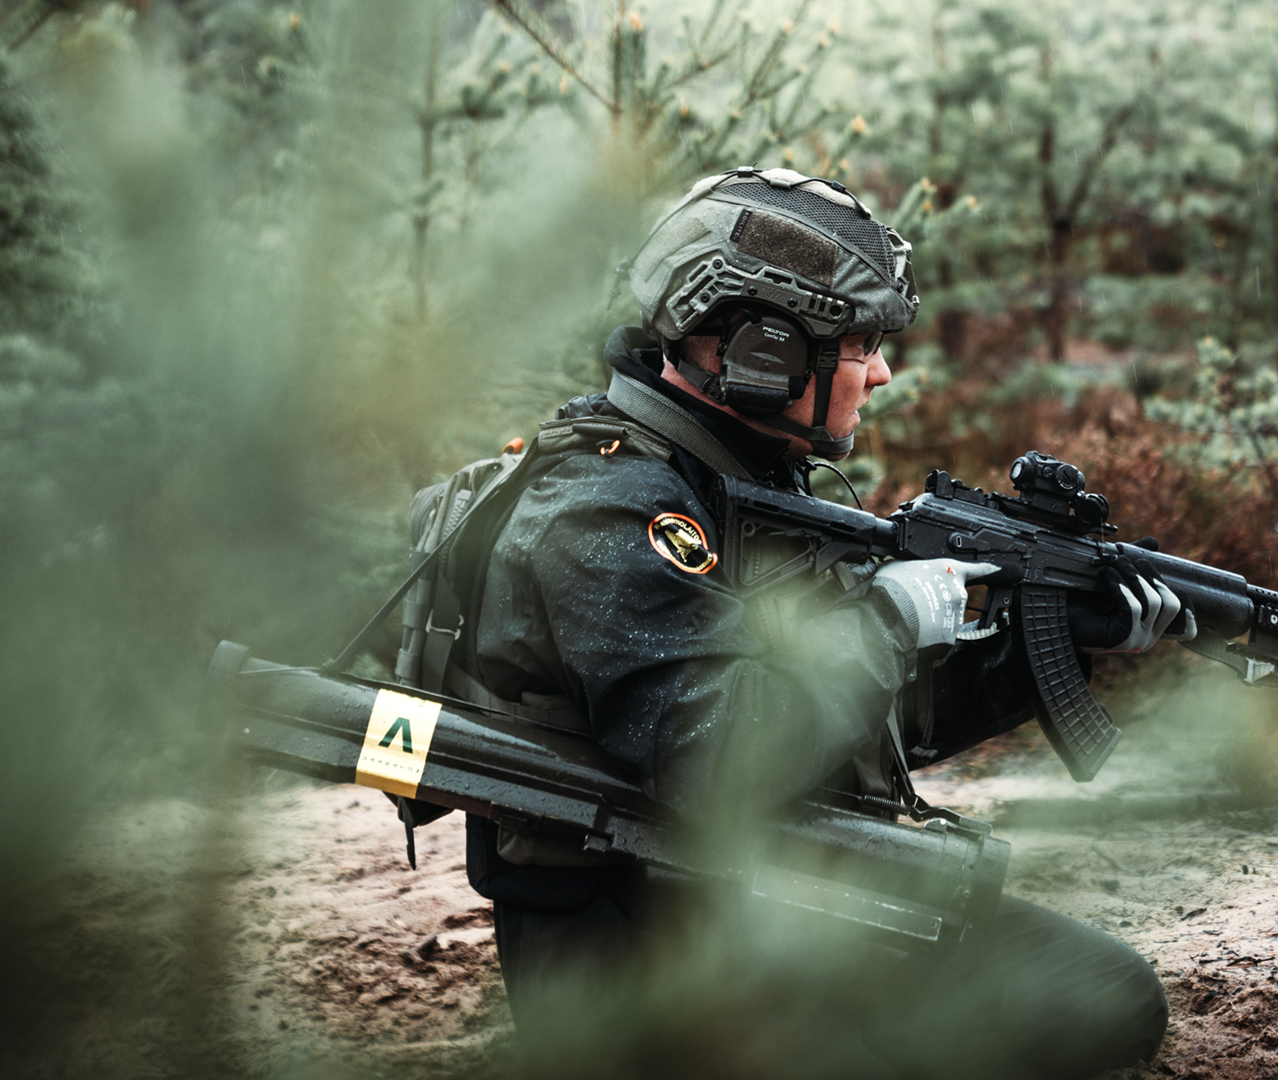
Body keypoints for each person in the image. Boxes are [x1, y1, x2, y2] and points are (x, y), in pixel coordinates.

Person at [450, 168, 1190, 1079]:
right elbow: (717, 758)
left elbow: (864, 729)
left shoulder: (749, 476)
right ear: (765, 352)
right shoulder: (607, 507)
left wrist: (1054, 646)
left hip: (789, 887)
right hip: (640, 952)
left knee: (1107, 998)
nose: (881, 371)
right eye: (862, 343)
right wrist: (885, 618)